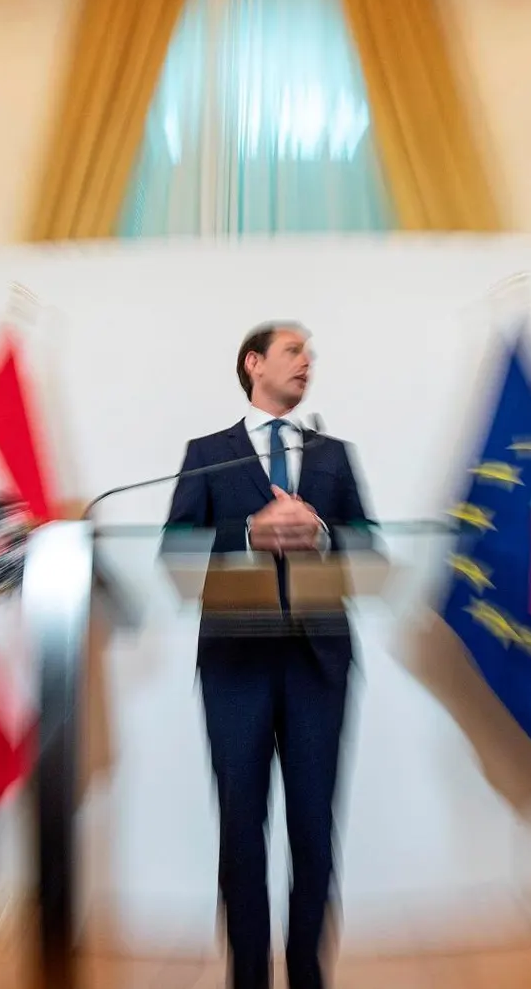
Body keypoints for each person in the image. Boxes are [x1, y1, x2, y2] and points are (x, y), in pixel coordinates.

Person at [165, 322, 371, 989]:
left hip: (319, 663)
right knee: (241, 829)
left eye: (311, 353)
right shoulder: (208, 453)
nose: (308, 361)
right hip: (234, 663)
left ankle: (309, 974)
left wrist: (324, 534)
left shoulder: (335, 455)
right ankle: (247, 976)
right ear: (254, 363)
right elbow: (175, 546)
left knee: (314, 830)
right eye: (293, 350)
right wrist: (249, 529)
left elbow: (368, 548)